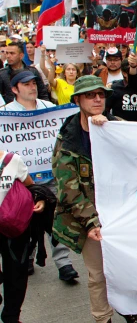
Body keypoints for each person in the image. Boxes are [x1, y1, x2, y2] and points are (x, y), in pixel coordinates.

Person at [52, 76, 137, 323]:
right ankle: (103, 317)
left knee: (126, 267)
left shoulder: (117, 125)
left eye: (101, 95)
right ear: (78, 100)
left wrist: (110, 131)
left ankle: (129, 310)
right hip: (88, 218)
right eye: (90, 95)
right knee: (98, 274)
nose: (97, 99)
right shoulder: (68, 138)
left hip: (119, 214)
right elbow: (68, 189)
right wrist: (92, 222)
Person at [0, 70, 80, 280]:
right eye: (26, 84)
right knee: (25, 218)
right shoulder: (5, 114)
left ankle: (64, 263)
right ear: (15, 89)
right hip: (22, 180)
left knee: (56, 219)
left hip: (50, 177)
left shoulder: (49, 109)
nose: (32, 87)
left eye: (34, 83)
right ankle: (28, 256)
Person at [0, 151, 46, 323]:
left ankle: (11, 317)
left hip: (13, 226)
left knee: (16, 273)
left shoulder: (13, 160)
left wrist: (40, 200)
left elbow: (31, 187)